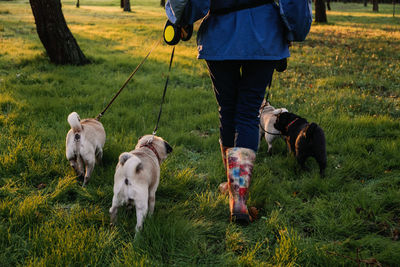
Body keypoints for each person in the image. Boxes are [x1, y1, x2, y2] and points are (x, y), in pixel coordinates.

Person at [165, 0, 290, 224]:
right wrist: (293, 30)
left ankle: (233, 189)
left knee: (228, 110)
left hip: (220, 33)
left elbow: (185, 3)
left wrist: (180, 20)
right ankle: (239, 199)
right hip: (264, 31)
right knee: (248, 112)